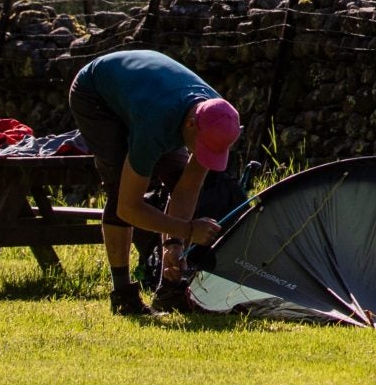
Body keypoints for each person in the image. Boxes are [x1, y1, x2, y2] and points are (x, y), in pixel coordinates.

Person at [67, 48, 244, 315]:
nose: (203, 155)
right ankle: (123, 295)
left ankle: (169, 291)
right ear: (191, 126)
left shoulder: (218, 118)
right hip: (95, 92)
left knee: (176, 176)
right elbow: (128, 207)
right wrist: (187, 230)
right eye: (202, 147)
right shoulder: (155, 124)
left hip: (148, 94)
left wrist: (174, 244)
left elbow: (187, 187)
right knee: (120, 190)